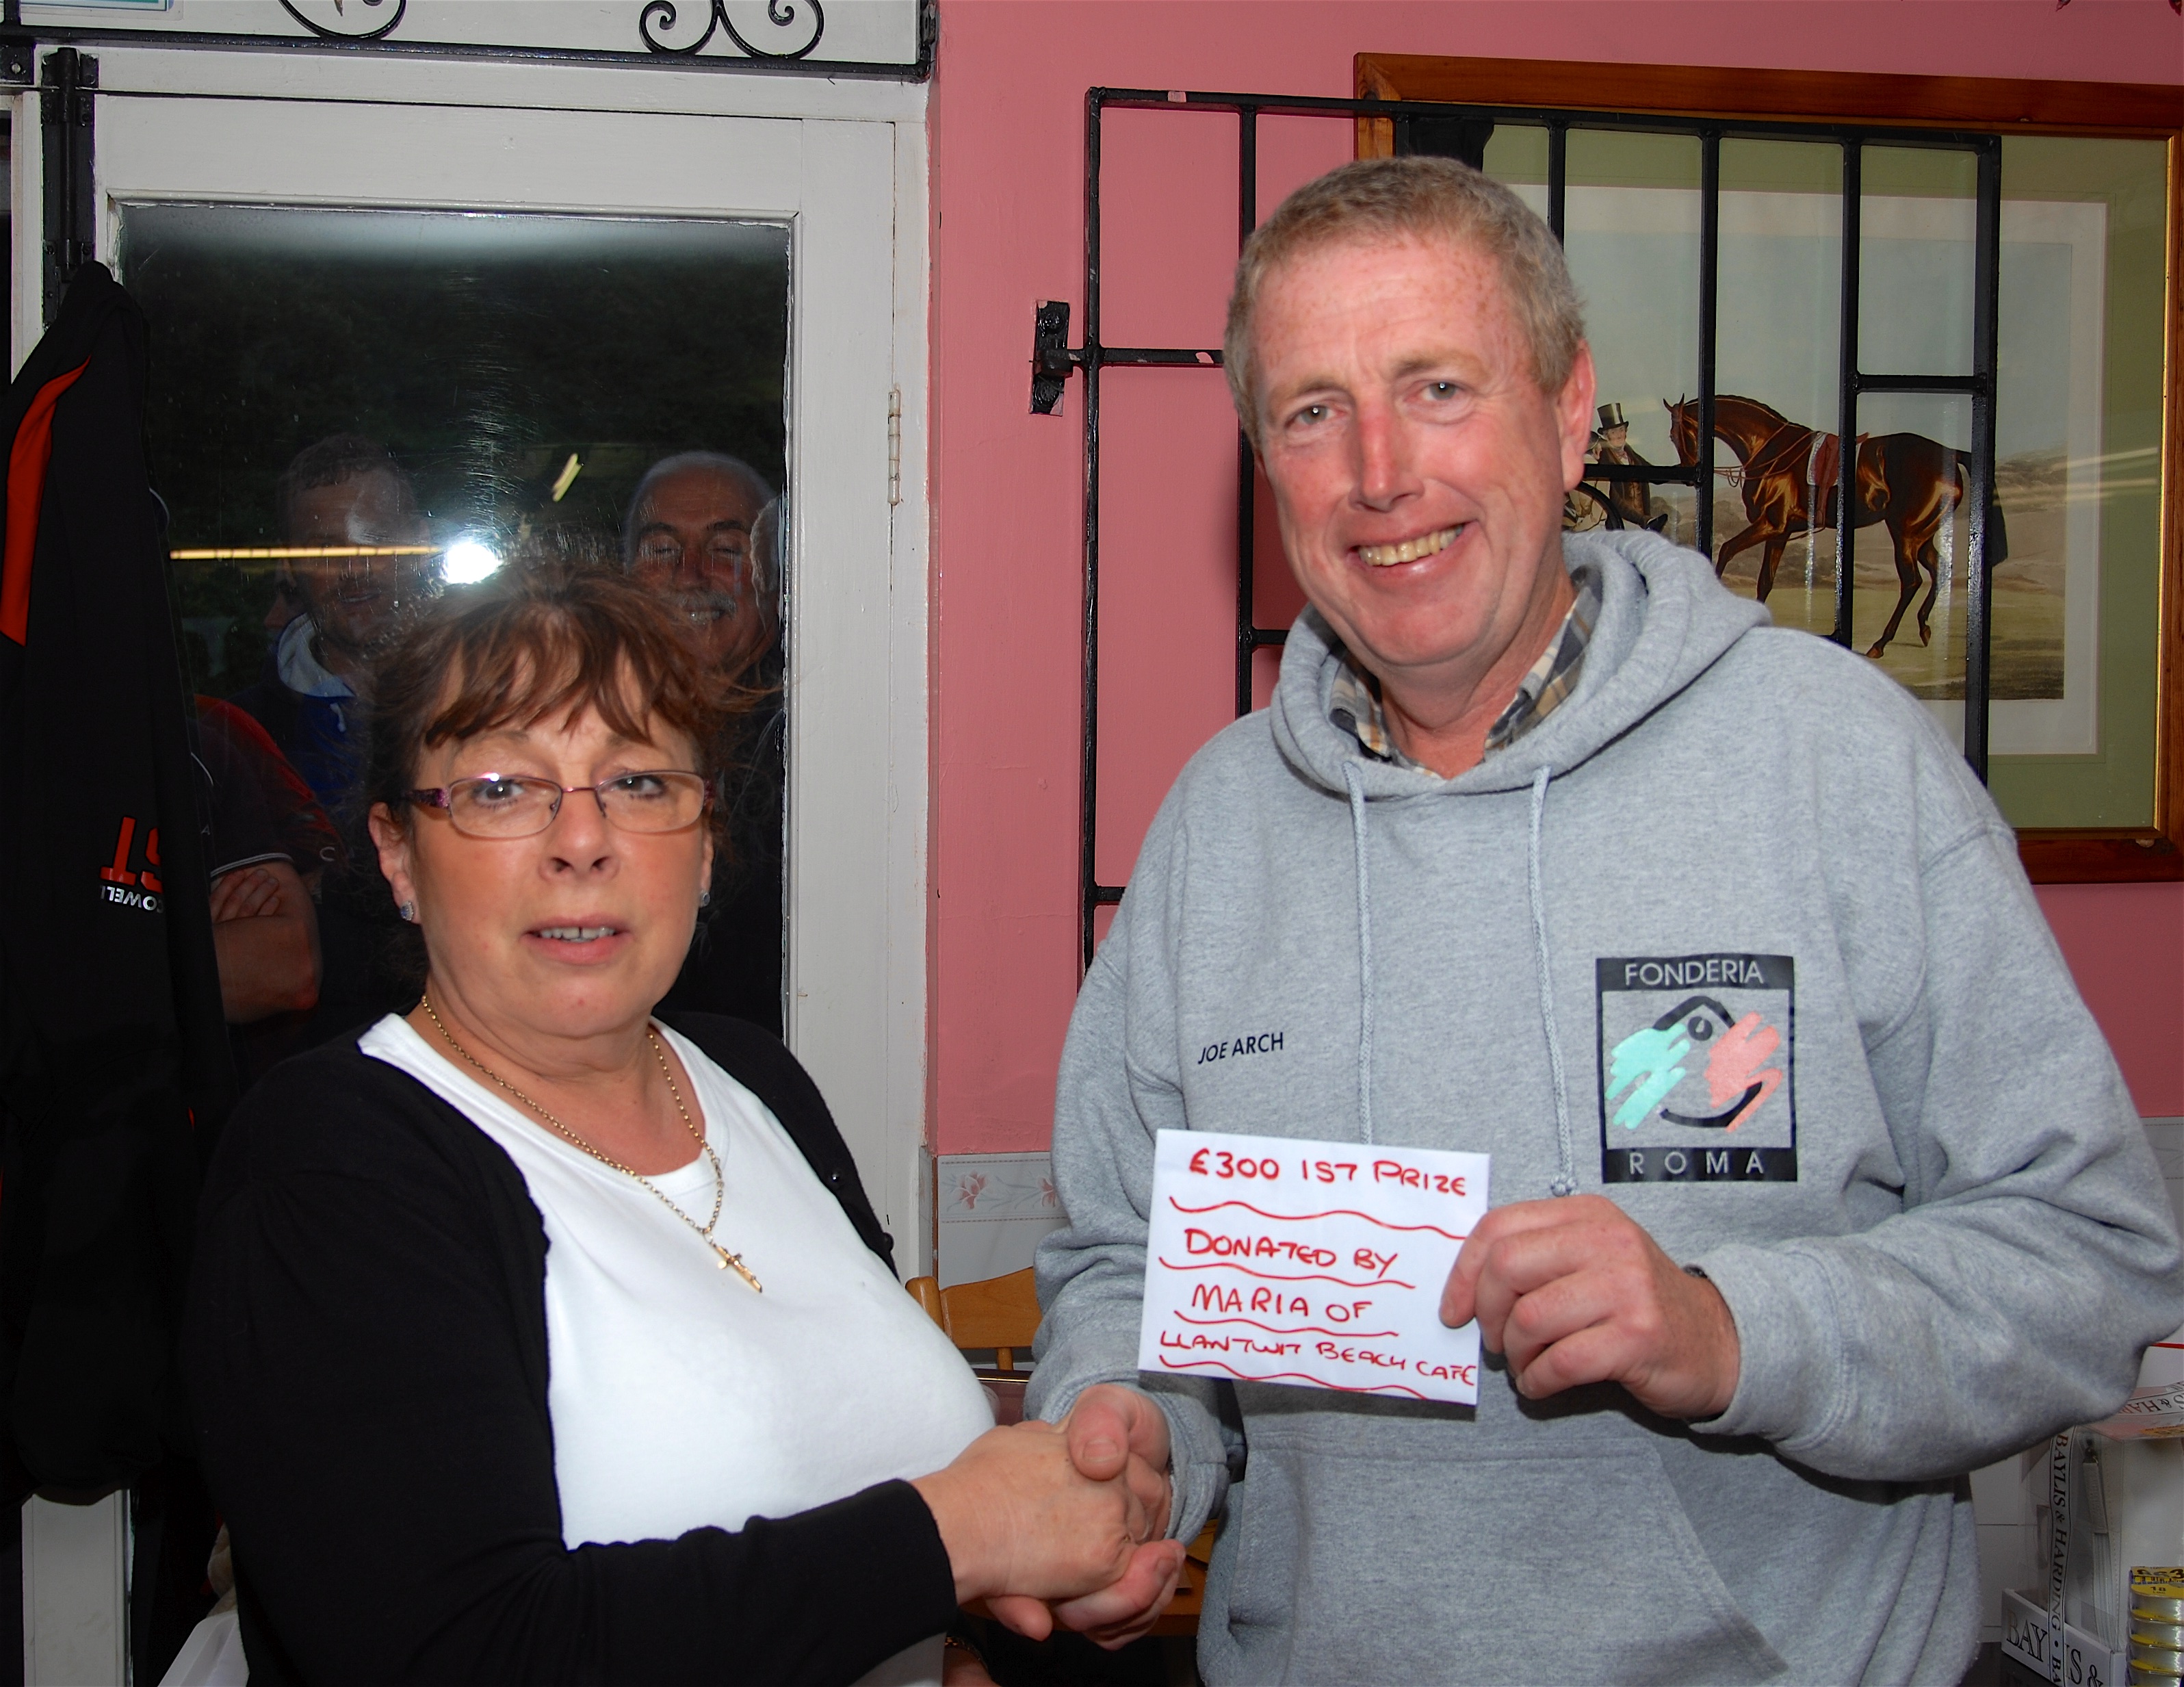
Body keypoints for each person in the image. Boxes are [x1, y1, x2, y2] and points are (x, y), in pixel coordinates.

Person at [1024, 156, 2184, 1683]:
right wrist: (1133, 1437)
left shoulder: (1834, 758)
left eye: (1438, 385)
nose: (1380, 469)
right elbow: (1125, 1258)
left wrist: (1730, 1328)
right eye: (1313, 410)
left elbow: (2090, 1254)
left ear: (1570, 412)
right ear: (1266, 462)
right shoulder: (1213, 831)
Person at [185, 565, 1182, 1686]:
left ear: (704, 845)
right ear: (398, 853)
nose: (580, 841)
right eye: (504, 788)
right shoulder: (332, 1168)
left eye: (639, 783)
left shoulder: (757, 1084)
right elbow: (457, 1646)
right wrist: (957, 1538)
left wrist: (980, 1616)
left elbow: (832, 1453)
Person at [623, 450, 787, 1034]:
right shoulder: (575, 739)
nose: (689, 576)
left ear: (773, 575)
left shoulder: (817, 748)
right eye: (662, 550)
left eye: (724, 551)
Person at [228, 434, 433, 808]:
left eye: (374, 540)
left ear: (420, 545)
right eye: (326, 549)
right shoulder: (240, 741)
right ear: (289, 565)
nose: (354, 569)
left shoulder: (485, 694)